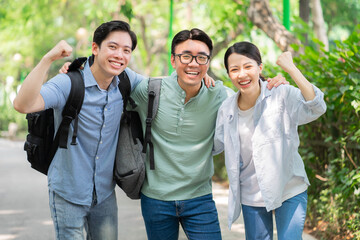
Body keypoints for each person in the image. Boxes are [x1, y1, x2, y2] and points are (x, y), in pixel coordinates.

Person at [59, 29, 287, 239]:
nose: (193, 63)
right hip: (155, 200)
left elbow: (251, 96)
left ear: (208, 62)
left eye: (201, 58)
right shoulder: (149, 90)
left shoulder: (220, 96)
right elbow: (110, 75)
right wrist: (80, 69)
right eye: (186, 56)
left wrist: (273, 84)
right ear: (173, 59)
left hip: (200, 199)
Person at [13, 20, 145, 240]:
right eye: (112, 47)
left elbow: (162, 89)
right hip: (67, 192)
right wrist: (48, 59)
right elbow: (22, 105)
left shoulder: (126, 80)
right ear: (95, 48)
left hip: (104, 194)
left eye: (126, 50)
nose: (119, 55)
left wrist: (200, 79)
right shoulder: (68, 83)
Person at [213, 41, 327, 240]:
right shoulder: (227, 109)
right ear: (229, 74)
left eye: (248, 66)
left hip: (289, 188)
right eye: (234, 69)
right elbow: (214, 146)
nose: (242, 74)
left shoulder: (280, 93)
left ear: (260, 67)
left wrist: (290, 68)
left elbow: (316, 107)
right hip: (251, 195)